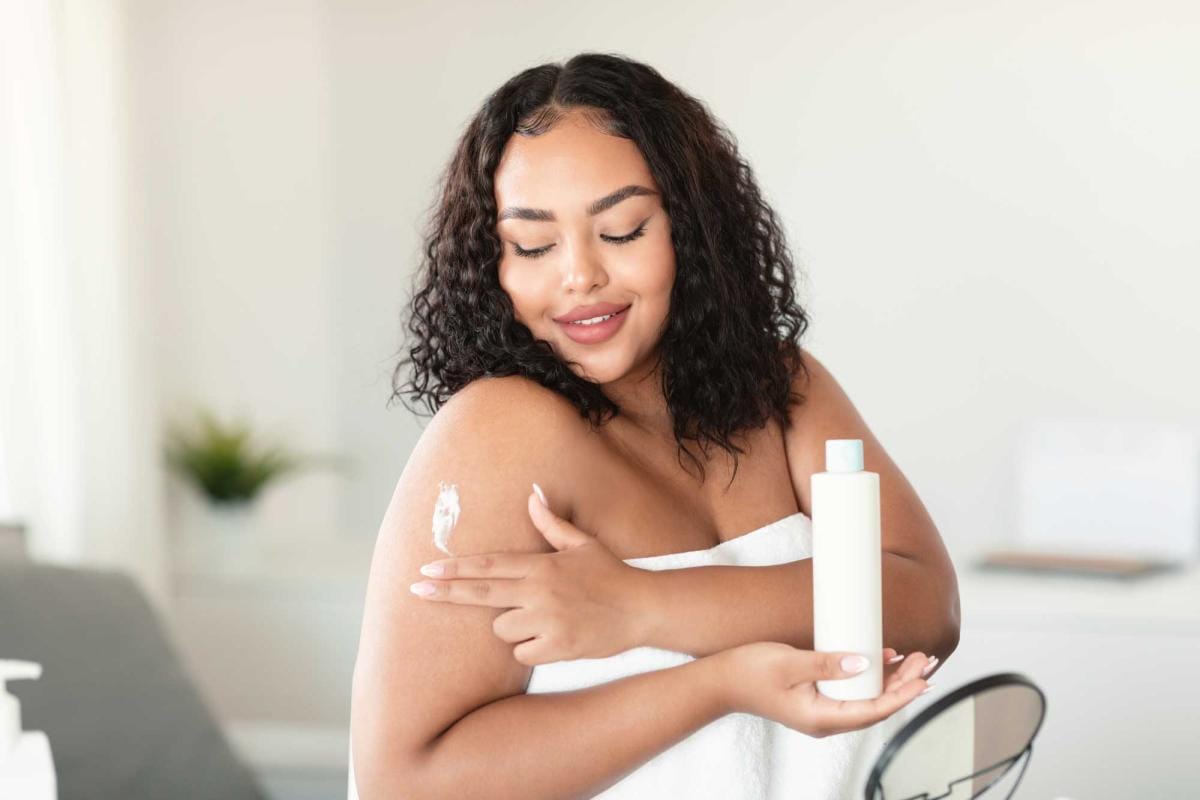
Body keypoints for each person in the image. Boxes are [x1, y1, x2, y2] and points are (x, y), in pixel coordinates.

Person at [348, 52, 960, 800]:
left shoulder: (779, 386)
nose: (579, 276)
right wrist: (721, 682)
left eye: (623, 230)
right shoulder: (500, 432)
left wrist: (641, 605)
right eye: (533, 245)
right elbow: (406, 784)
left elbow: (929, 605)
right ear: (492, 262)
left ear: (689, 230)